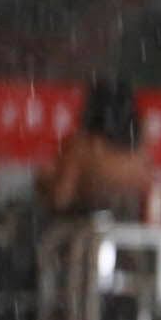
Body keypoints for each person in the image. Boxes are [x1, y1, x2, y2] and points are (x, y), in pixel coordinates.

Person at [38, 77, 153, 217]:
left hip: (86, 228)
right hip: (131, 232)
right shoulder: (140, 154)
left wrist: (44, 183)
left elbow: (61, 199)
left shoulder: (83, 147)